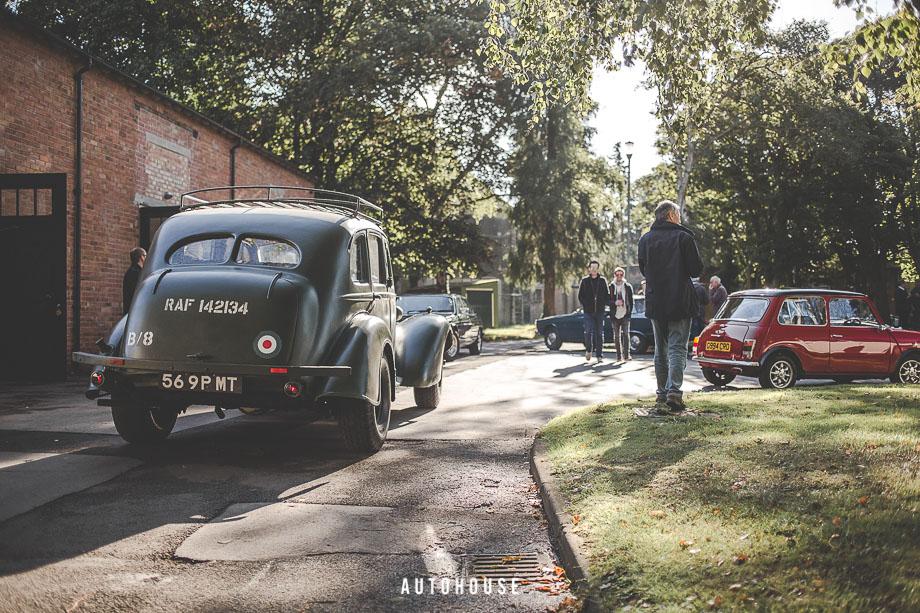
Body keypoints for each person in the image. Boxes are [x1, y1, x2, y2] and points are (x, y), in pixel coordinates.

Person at [637, 200, 703, 414]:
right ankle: (674, 392)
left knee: (660, 349)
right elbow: (696, 270)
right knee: (677, 347)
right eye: (679, 214)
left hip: (656, 301)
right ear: (672, 216)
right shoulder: (683, 237)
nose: (680, 218)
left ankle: (661, 392)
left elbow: (644, 269)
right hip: (680, 300)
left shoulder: (645, 240)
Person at [578, 260, 609, 362]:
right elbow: (580, 296)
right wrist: (586, 305)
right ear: (589, 269)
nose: (594, 270)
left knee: (599, 334)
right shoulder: (585, 281)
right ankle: (588, 350)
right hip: (588, 312)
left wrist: (602, 304)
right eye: (592, 268)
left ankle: (599, 355)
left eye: (596, 268)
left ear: (598, 269)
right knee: (588, 332)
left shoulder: (603, 281)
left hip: (600, 312)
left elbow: (606, 295)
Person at [608, 267, 634, 361]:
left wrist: (629, 312)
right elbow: (607, 300)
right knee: (616, 336)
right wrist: (614, 303)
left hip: (625, 314)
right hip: (614, 314)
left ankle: (627, 354)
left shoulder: (627, 286)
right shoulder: (611, 287)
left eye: (621, 274)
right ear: (614, 275)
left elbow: (631, 301)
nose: (619, 276)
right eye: (617, 274)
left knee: (626, 334)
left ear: (623, 275)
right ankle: (619, 355)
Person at [123, 247, 146, 314]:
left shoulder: (137, 271)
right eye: (145, 255)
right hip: (134, 312)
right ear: (141, 257)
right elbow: (136, 293)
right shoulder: (134, 272)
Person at [690, 277, 709, 357]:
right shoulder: (702, 289)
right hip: (701, 311)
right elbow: (706, 301)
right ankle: (702, 348)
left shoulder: (690, 288)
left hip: (693, 311)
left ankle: (694, 349)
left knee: (694, 331)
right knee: (701, 330)